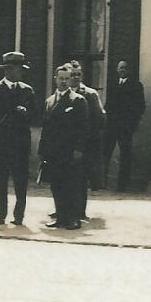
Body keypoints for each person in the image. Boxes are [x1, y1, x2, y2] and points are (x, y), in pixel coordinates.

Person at [0, 51, 38, 226]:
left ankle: (19, 216)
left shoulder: (27, 90)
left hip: (21, 143)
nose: (20, 73)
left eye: (22, 69)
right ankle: (1, 215)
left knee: (21, 181)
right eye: (17, 69)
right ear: (8, 70)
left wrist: (26, 112)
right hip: (2, 143)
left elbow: (36, 116)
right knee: (0, 181)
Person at [39, 64, 94, 230]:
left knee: (72, 185)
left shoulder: (78, 100)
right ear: (55, 79)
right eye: (61, 78)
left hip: (70, 151)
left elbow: (84, 128)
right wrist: (42, 150)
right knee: (56, 185)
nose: (63, 82)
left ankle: (74, 218)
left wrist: (79, 149)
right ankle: (61, 217)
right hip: (53, 151)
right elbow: (46, 128)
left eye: (67, 79)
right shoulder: (49, 101)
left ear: (71, 80)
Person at [104, 59, 146, 191]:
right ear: (117, 70)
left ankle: (122, 185)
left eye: (125, 68)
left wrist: (132, 121)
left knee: (125, 154)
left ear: (129, 70)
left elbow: (140, 106)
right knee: (105, 152)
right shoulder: (112, 85)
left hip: (126, 126)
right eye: (120, 68)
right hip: (111, 125)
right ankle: (101, 181)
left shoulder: (136, 85)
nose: (122, 70)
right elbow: (108, 104)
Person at [69, 60, 108, 192]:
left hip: (85, 144)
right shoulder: (61, 93)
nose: (75, 77)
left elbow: (100, 119)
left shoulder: (90, 94)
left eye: (78, 74)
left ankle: (80, 211)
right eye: (72, 74)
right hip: (66, 144)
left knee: (81, 181)